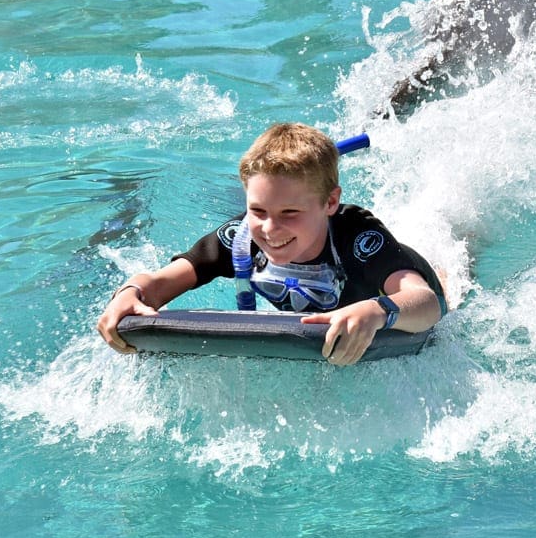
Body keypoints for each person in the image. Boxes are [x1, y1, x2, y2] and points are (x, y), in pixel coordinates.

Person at [97, 123, 447, 365]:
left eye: (289, 212)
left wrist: (376, 311)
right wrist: (129, 294)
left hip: (408, 281)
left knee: (453, 286)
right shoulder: (242, 237)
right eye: (258, 209)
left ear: (329, 202)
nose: (269, 227)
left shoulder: (358, 237)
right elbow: (160, 282)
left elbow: (426, 302)